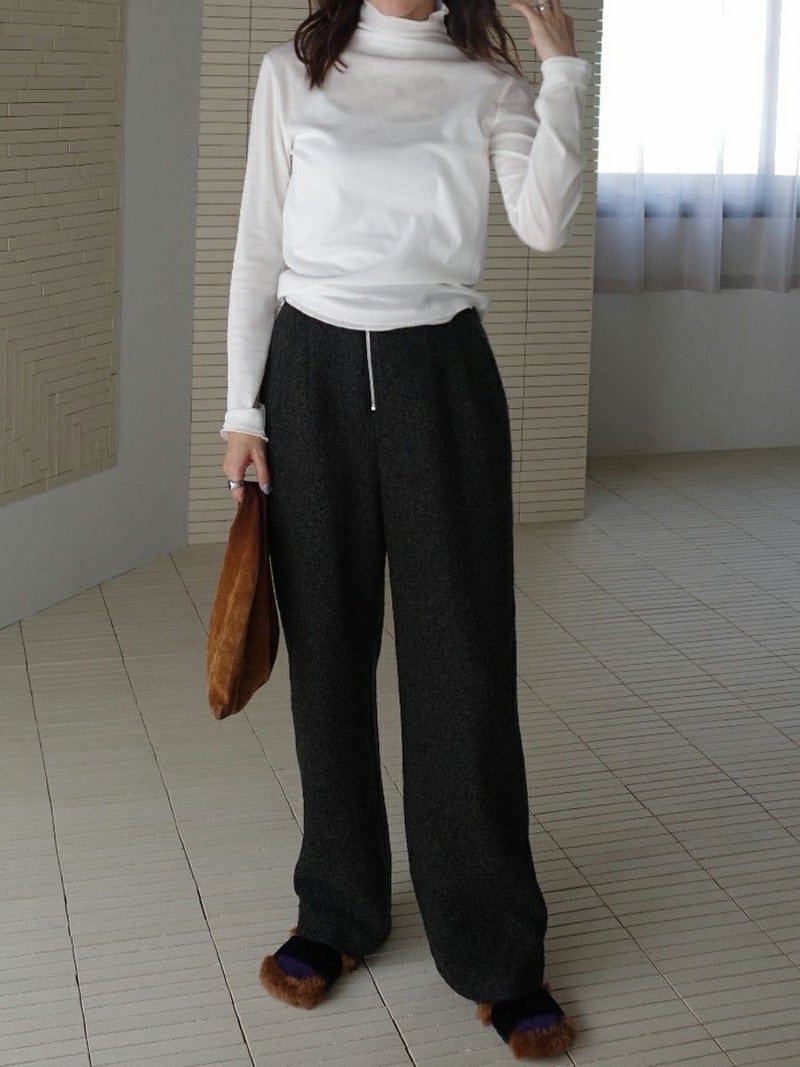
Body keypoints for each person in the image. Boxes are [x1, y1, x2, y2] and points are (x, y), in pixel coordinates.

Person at [221, 0, 590, 1058]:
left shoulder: (488, 81)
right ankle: (337, 910)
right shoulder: (292, 74)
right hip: (310, 376)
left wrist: (563, 71)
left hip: (441, 380)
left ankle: (495, 951)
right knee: (327, 656)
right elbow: (258, 243)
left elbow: (544, 222)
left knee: (461, 664)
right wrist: (244, 412)